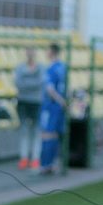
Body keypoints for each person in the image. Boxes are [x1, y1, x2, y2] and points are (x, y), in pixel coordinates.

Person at [38, 42, 67, 175]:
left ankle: (45, 166)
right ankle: (53, 164)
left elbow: (50, 89)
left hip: (50, 105)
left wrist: (59, 100)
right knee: (54, 134)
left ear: (52, 52)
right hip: (59, 106)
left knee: (46, 134)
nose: (46, 53)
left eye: (47, 50)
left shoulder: (50, 69)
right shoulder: (63, 67)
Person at [13, 46, 43, 170]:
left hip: (36, 102)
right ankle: (24, 158)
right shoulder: (20, 67)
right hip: (23, 102)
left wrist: (27, 81)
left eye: (32, 50)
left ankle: (35, 159)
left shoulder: (41, 67)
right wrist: (32, 80)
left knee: (36, 130)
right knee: (24, 130)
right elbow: (17, 83)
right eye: (28, 50)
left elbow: (40, 82)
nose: (30, 52)